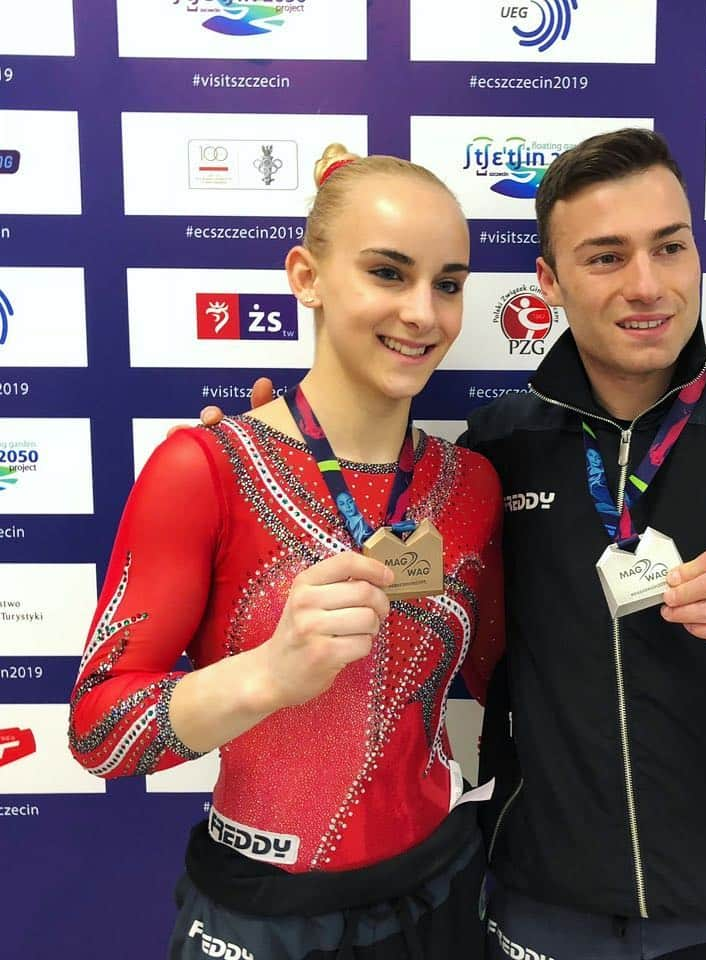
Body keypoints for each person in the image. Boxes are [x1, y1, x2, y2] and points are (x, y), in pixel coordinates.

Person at [200, 129, 706, 959]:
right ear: (550, 284)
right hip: (537, 913)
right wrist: (259, 463)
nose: (648, 286)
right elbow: (378, 531)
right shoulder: (494, 455)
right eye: (606, 257)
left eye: (670, 246)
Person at [69, 144, 504, 960]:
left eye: (448, 283)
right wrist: (268, 674)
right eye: (387, 272)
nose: (423, 312)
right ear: (306, 277)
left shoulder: (472, 484)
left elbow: (513, 681)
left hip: (439, 892)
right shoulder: (204, 467)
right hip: (261, 917)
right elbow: (99, 730)